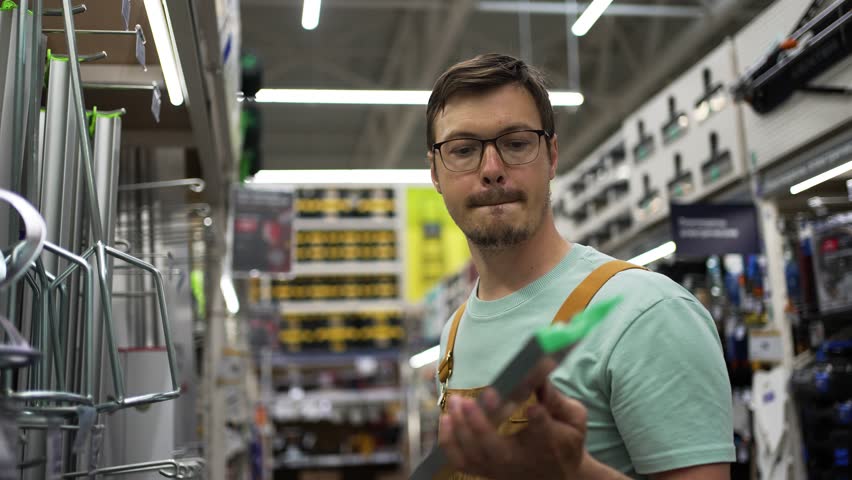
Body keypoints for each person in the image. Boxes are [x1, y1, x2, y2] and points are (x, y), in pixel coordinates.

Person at [426, 53, 734, 479]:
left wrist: (578, 472)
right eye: (463, 150)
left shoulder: (646, 313)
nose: (492, 169)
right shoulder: (455, 334)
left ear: (552, 156)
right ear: (435, 173)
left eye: (516, 144)